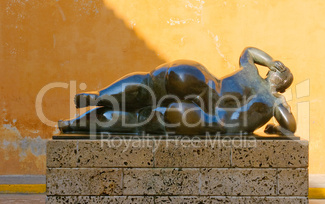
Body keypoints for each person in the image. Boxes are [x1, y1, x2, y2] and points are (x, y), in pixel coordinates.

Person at [58, 47, 296, 135]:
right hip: (205, 118)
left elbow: (249, 51)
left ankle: (98, 97)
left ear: (272, 72)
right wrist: (276, 129)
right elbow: (291, 126)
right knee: (139, 120)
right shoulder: (274, 101)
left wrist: (271, 59)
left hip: (195, 76)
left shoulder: (250, 71)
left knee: (147, 85)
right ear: (283, 84)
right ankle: (75, 124)